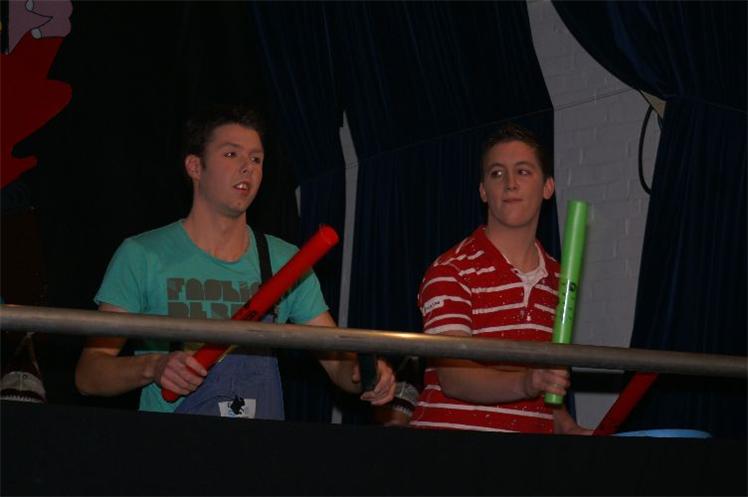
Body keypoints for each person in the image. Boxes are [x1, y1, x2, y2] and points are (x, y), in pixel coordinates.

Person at [75, 104, 395, 419]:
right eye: (231, 154)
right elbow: (89, 375)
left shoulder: (286, 261)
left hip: (259, 445)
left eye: (256, 159)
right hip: (175, 445)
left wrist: (366, 375)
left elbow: (339, 365)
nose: (247, 167)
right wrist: (153, 366)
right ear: (195, 167)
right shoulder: (142, 255)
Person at [409, 123, 591, 434]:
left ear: (548, 187)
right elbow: (455, 378)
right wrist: (528, 382)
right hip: (450, 451)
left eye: (523, 172)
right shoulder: (451, 270)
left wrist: (570, 428)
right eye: (497, 173)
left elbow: (545, 393)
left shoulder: (560, 280)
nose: (510, 184)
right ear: (483, 191)